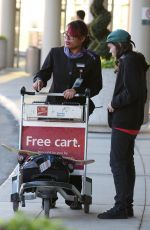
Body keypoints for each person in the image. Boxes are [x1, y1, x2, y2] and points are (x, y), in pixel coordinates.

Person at [33, 20, 102, 210]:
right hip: (52, 110)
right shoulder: (55, 53)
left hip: (76, 113)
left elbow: (96, 86)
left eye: (71, 36)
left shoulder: (92, 58)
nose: (67, 39)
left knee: (72, 153)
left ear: (82, 38)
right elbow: (43, 72)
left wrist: (77, 91)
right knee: (50, 151)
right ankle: (50, 194)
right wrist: (39, 80)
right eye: (65, 35)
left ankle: (73, 195)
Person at [97, 29, 149, 219]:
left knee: (118, 163)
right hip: (130, 120)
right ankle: (126, 206)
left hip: (124, 119)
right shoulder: (132, 61)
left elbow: (132, 92)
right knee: (126, 163)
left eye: (111, 47)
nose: (110, 51)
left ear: (119, 45)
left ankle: (121, 206)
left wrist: (113, 103)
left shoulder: (129, 61)